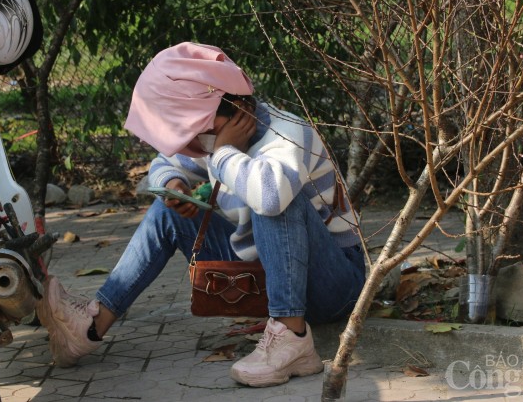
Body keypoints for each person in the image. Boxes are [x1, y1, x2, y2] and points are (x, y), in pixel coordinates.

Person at [38, 42, 366, 387]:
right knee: (168, 213)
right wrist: (176, 185)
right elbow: (163, 165)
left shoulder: (285, 133)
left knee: (272, 194)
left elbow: (270, 197)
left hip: (335, 284)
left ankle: (292, 337)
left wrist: (224, 152)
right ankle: (90, 327)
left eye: (198, 136)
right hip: (274, 275)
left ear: (238, 109)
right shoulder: (213, 132)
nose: (195, 148)